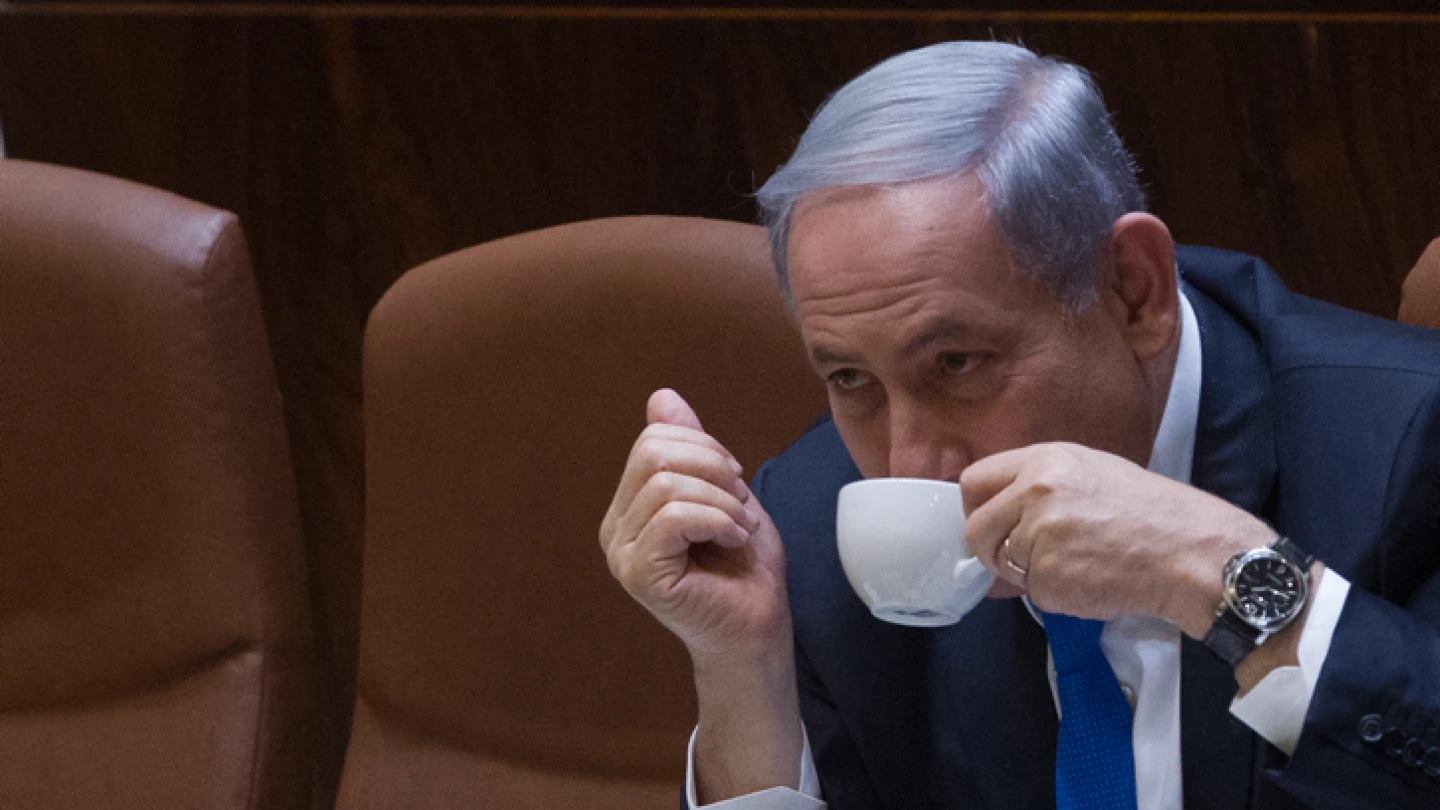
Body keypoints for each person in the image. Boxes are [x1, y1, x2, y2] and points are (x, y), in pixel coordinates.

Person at [598, 41, 1440, 809]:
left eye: (958, 363)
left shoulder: (1405, 446)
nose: (910, 462)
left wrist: (1220, 574)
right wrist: (743, 674)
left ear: (1131, 290)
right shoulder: (815, 525)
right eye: (851, 378)